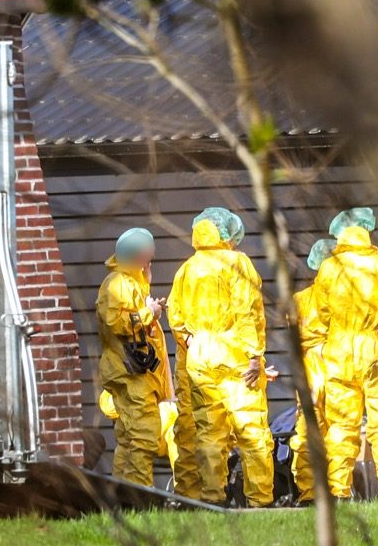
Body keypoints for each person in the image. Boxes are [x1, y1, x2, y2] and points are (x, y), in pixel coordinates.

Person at [168, 210, 275, 507]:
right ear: (228, 233)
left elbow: (175, 317)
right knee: (251, 430)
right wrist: (255, 356)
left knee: (208, 434)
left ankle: (212, 499)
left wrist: (194, 341)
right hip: (235, 356)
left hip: (200, 356)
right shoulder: (237, 262)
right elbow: (247, 311)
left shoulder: (186, 268)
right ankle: (259, 500)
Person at [314, 207, 378, 500]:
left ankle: (338, 492)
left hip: (340, 353)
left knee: (341, 425)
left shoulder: (329, 268)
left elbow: (321, 313)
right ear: (368, 230)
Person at [95, 227, 170, 488]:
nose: (150, 262)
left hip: (132, 372)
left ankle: (124, 494)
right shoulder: (116, 284)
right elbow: (116, 322)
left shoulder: (129, 281)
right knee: (143, 436)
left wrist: (149, 301)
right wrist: (148, 312)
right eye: (148, 257)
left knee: (128, 440)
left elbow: (133, 312)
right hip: (128, 373)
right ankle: (139, 496)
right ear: (139, 256)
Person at [291, 238, 337, 504]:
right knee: (340, 430)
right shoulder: (343, 295)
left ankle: (309, 491)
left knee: (308, 429)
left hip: (310, 368)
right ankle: (336, 489)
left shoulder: (300, 300)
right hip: (336, 362)